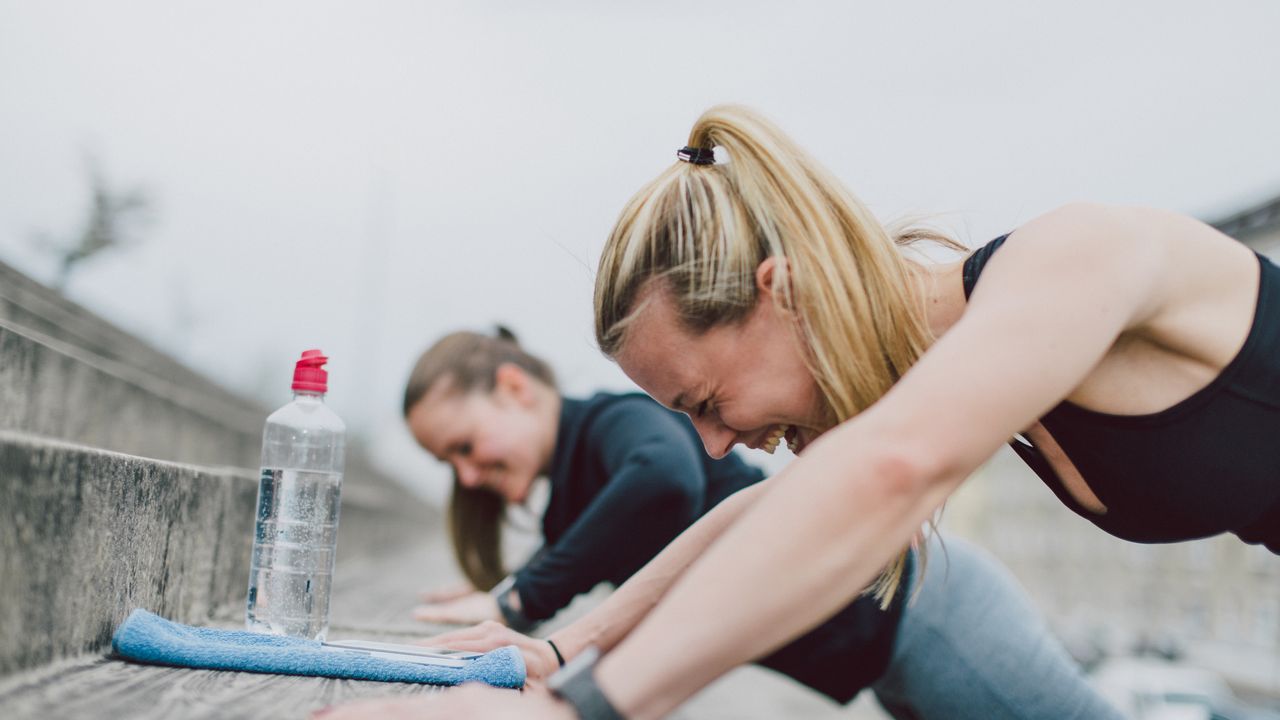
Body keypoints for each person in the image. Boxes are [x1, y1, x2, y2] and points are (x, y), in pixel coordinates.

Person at [319, 103, 1278, 719]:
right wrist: (562, 648)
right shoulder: (938, 362)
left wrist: (579, 711)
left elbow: (892, 470)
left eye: (705, 401)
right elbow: (756, 509)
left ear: (781, 291)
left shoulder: (1077, 259)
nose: (712, 443)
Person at [391, 329, 1120, 718]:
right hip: (888, 661)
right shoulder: (575, 496)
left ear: (515, 389)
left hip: (930, 620)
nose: (466, 474)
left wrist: (520, 599)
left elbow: (664, 482)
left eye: (464, 445)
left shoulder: (612, 423)